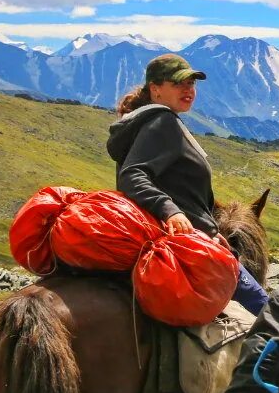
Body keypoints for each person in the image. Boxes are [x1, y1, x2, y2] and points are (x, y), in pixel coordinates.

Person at [107, 53, 268, 317]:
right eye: (178, 83)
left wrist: (209, 229)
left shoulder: (148, 122)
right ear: (155, 89)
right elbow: (132, 175)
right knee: (265, 309)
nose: (188, 90)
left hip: (182, 236)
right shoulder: (162, 122)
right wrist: (173, 212)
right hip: (186, 244)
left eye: (192, 84)